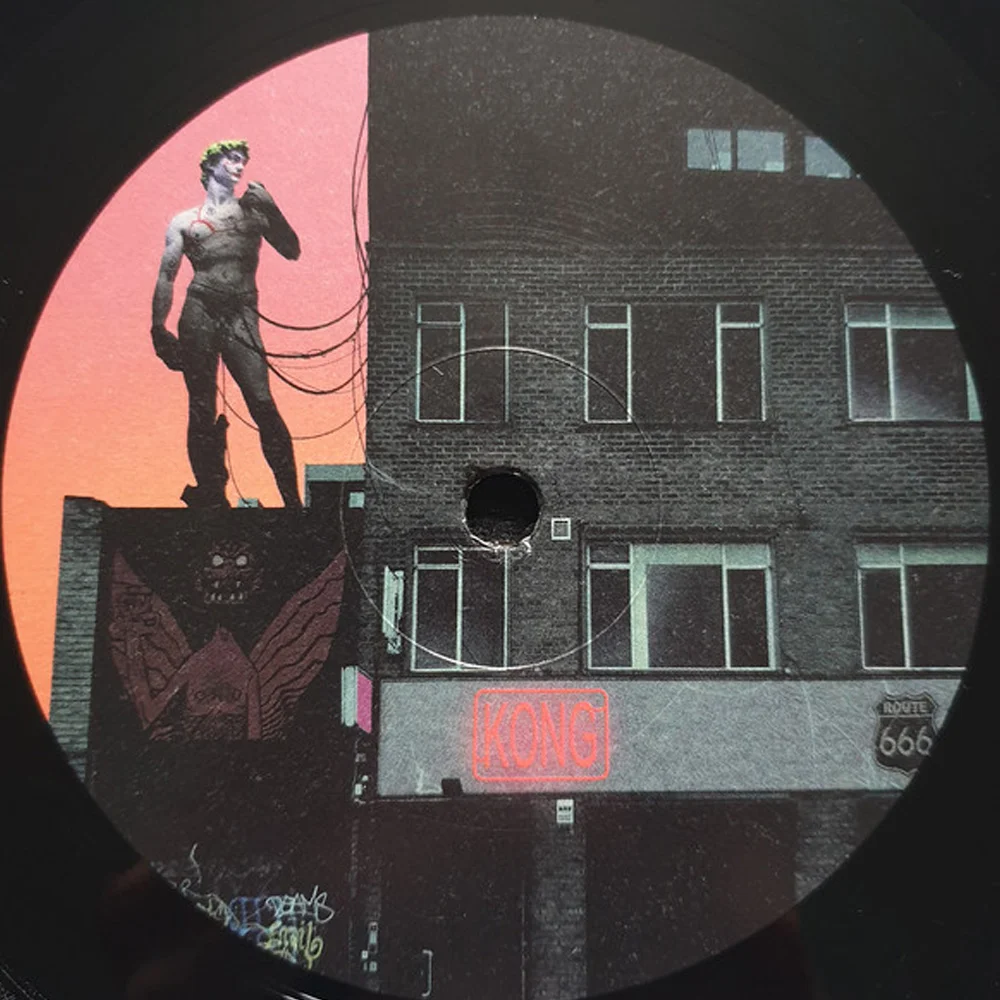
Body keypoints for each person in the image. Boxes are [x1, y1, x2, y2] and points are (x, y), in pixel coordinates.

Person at [151, 139, 302, 509]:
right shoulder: (184, 221)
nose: (239, 166)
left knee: (262, 401)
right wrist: (157, 327)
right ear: (211, 164)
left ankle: (292, 500)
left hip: (241, 311)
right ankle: (211, 494)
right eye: (232, 159)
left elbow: (292, 249)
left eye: (242, 161)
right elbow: (166, 275)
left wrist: (273, 207)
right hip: (200, 308)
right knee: (201, 404)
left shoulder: (253, 211)